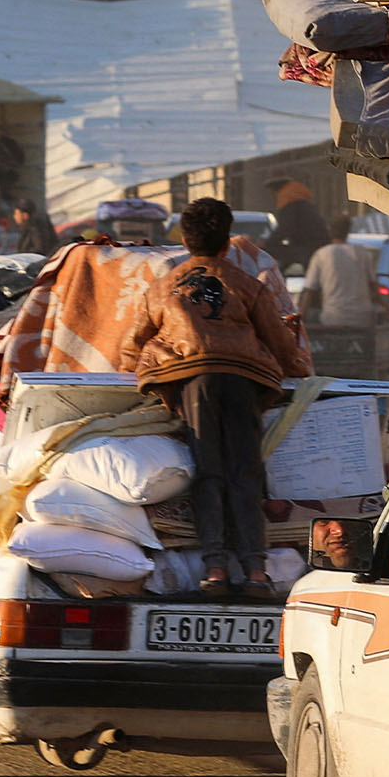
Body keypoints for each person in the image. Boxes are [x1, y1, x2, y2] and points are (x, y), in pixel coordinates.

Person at [121, 198, 313, 600]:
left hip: (192, 383)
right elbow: (282, 347)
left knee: (208, 472)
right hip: (244, 382)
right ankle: (256, 572)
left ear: (185, 242)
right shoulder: (248, 285)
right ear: (227, 242)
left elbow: (132, 347)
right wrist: (300, 371)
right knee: (245, 473)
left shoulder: (161, 288)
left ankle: (215, 570)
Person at [298, 214, 383, 376]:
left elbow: (309, 291)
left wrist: (299, 319)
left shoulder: (321, 254)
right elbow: (374, 289)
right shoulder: (361, 253)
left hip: (333, 318)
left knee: (314, 315)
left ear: (330, 231)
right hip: (362, 319)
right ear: (347, 231)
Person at [263, 177, 328, 273]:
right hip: (318, 243)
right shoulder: (303, 201)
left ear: (276, 190)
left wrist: (266, 243)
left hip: (308, 246)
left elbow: (285, 229)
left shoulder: (288, 202)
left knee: (271, 249)